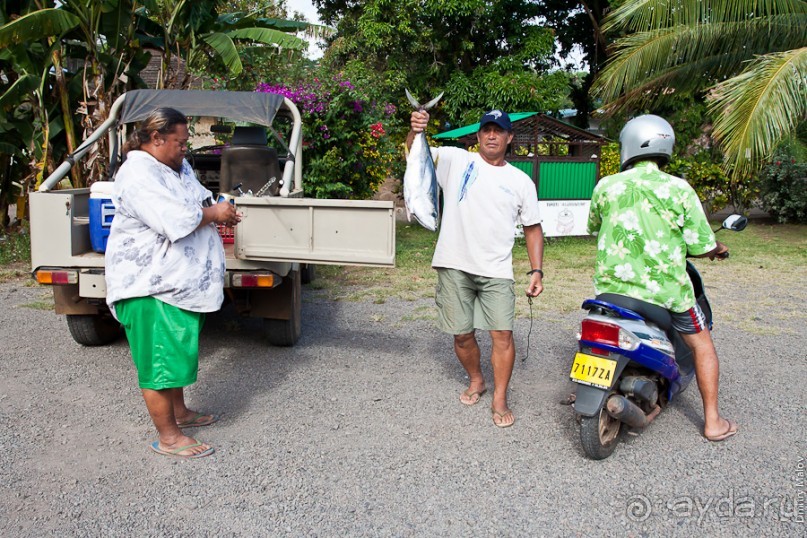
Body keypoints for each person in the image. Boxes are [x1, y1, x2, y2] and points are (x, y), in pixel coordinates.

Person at [587, 114, 737, 442]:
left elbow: (594, 227)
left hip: (610, 291)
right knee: (702, 345)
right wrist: (717, 249)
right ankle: (713, 421)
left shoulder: (606, 185)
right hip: (666, 294)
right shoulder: (678, 189)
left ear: (628, 145)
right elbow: (701, 245)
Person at [105, 107, 241, 458]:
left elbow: (199, 200)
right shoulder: (138, 173)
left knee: (173, 355)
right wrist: (215, 213)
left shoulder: (174, 167)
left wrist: (221, 207)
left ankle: (179, 413)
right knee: (159, 365)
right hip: (151, 287)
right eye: (180, 143)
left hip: (174, 286)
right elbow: (176, 219)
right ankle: (168, 437)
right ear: (156, 138)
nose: (185, 148)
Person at [407, 108, 545, 428]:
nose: (492, 136)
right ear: (479, 136)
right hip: (454, 264)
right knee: (462, 334)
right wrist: (416, 129)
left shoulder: (521, 181)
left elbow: (533, 228)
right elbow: (414, 154)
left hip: (497, 270)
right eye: (487, 130)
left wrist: (536, 270)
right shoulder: (456, 160)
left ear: (509, 138)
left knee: (503, 334)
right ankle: (476, 379)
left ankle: (500, 397)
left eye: (499, 131)